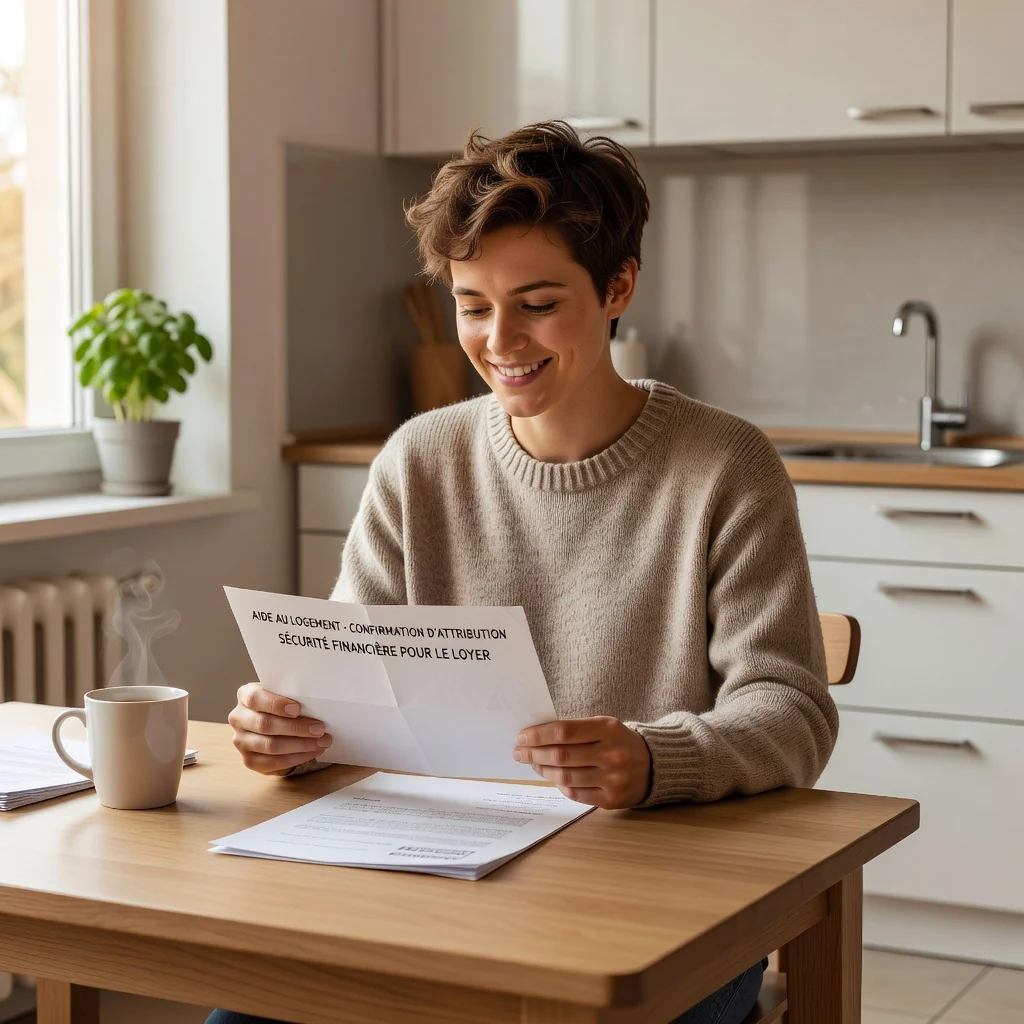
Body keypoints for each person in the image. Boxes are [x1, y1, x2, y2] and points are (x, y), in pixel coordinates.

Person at [215, 121, 839, 1024]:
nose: (499, 339)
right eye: (473, 304)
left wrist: (655, 758)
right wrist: (292, 730)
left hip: (657, 904)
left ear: (618, 285)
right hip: (437, 884)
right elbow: (353, 682)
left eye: (537, 302)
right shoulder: (419, 460)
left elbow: (793, 711)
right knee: (246, 1011)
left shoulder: (725, 466)